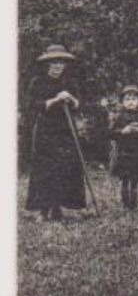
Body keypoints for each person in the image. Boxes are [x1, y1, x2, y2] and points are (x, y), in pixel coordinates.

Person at [24, 44, 89, 222]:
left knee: (67, 166)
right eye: (53, 63)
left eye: (60, 63)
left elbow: (80, 104)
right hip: (46, 129)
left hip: (67, 130)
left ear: (65, 65)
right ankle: (44, 209)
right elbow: (32, 105)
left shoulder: (70, 83)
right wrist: (55, 100)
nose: (57, 67)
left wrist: (71, 99)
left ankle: (63, 207)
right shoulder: (37, 82)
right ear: (47, 64)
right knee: (45, 168)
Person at [107, 86, 138, 211]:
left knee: (135, 179)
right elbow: (110, 133)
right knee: (125, 178)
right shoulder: (119, 117)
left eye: (134, 99)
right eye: (127, 99)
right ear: (122, 102)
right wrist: (123, 131)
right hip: (123, 152)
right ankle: (125, 203)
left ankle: (134, 203)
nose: (131, 102)